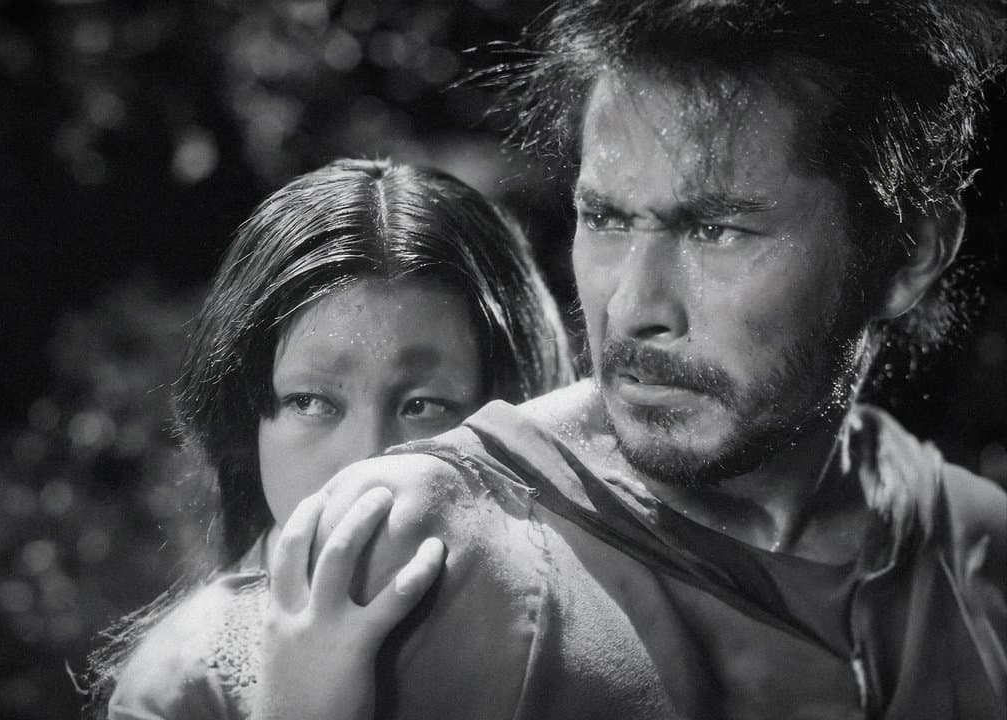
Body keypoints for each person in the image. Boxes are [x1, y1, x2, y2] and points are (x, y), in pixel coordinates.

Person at [293, 2, 1007, 719]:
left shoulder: (972, 546)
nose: (633, 306)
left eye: (717, 230)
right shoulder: (417, 543)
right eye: (604, 219)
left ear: (909, 254)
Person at [87, 158, 574, 719]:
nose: (367, 463)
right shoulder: (180, 687)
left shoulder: (586, 624)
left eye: (422, 407)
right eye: (311, 402)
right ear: (248, 424)